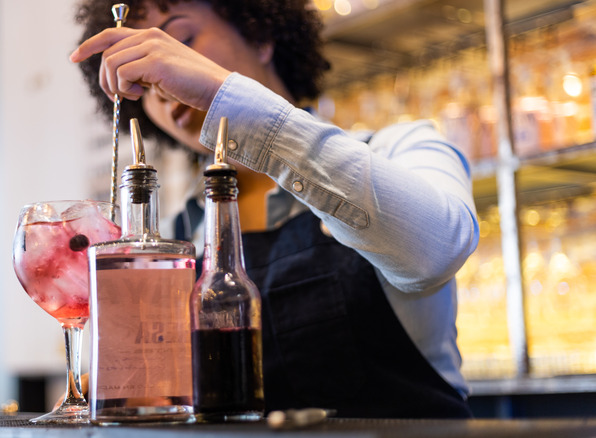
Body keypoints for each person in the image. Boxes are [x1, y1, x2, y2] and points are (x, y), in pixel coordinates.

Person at [70, 0, 479, 418]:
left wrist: (220, 93)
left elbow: (437, 250)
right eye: (140, 76)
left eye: (182, 41)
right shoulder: (177, 238)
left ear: (261, 36)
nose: (160, 80)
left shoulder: (400, 149)